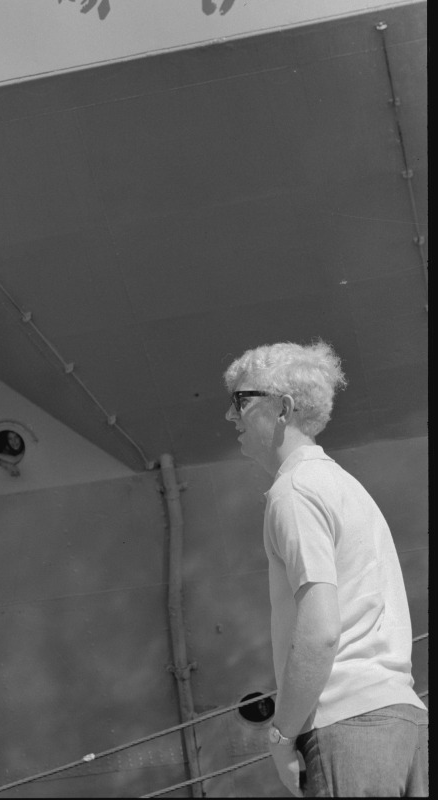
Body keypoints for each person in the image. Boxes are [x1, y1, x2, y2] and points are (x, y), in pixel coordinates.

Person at [221, 341, 428, 797]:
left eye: (241, 400)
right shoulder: (346, 486)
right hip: (404, 722)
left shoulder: (293, 490)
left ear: (283, 408)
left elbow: (320, 631)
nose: (230, 416)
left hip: (348, 726)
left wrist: (281, 736)